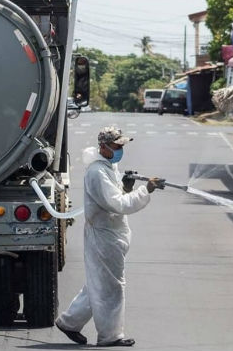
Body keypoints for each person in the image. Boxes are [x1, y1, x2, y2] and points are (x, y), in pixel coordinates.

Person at [55, 126, 164, 347]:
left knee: (99, 283)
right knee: (112, 286)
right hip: (103, 236)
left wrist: (125, 185)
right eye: (117, 146)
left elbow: (115, 196)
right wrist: (145, 190)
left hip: (110, 233)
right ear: (103, 147)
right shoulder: (97, 172)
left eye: (122, 145)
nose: (120, 149)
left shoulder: (109, 167)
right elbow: (118, 204)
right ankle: (111, 336)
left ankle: (69, 323)